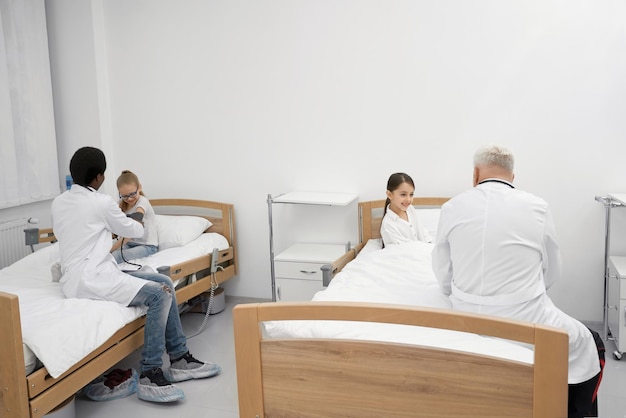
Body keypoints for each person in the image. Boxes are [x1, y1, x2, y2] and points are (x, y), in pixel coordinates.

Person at [431, 145, 603, 417]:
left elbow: (442, 271)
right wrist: (532, 292)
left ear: (475, 174)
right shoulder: (537, 206)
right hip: (525, 321)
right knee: (589, 343)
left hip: (465, 317)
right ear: (513, 176)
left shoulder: (452, 207)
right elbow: (553, 269)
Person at [51, 147, 220, 403]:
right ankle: (151, 373)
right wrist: (138, 214)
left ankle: (179, 358)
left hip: (77, 277)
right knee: (160, 295)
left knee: (164, 281)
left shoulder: (59, 201)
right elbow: (135, 230)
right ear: (99, 177)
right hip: (94, 278)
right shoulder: (102, 202)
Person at [110, 170, 158, 265]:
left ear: (139, 187)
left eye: (132, 194)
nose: (129, 199)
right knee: (102, 254)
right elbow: (115, 229)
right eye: (124, 196)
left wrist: (111, 249)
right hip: (129, 244)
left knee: (115, 256)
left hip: (147, 246)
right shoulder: (120, 204)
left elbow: (133, 229)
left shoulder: (142, 202)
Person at [380, 172, 432, 247]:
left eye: (411, 194)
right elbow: (404, 250)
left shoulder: (410, 209)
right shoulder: (388, 225)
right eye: (403, 194)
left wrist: (430, 247)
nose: (408, 199)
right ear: (389, 195)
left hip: (423, 252)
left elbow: (422, 233)